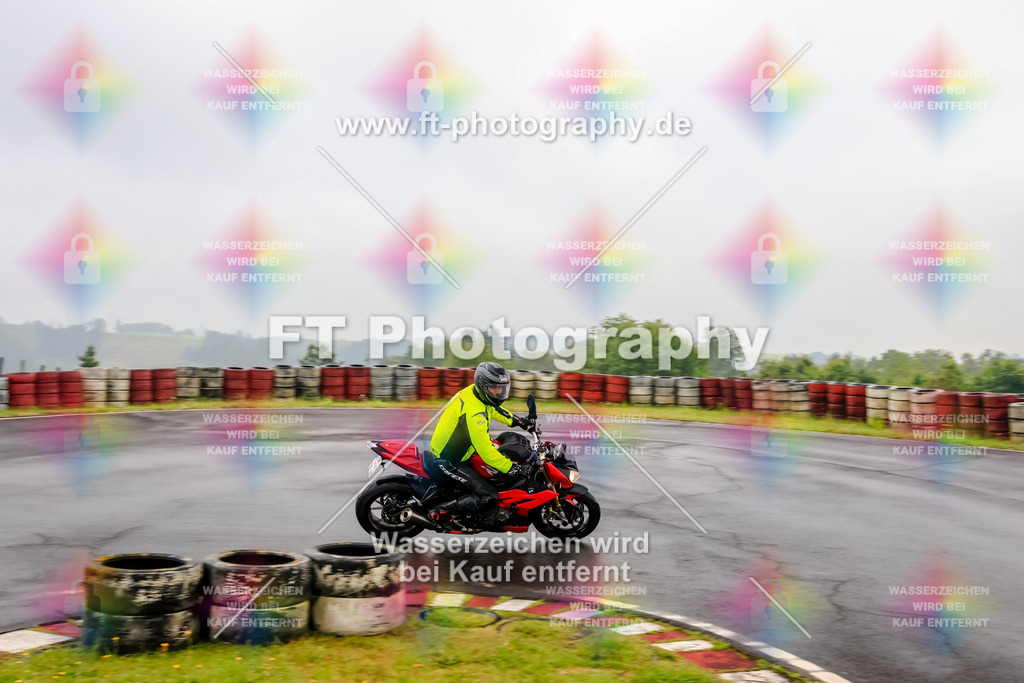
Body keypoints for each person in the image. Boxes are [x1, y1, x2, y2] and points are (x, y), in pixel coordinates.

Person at [424, 361, 535, 523]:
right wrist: (512, 468)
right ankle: (439, 511)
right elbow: (487, 453)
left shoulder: (475, 393)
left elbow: (494, 409)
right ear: (483, 386)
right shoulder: (475, 415)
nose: (499, 392)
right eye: (494, 387)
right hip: (450, 459)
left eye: (501, 387)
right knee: (489, 496)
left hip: (462, 449)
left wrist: (518, 421)